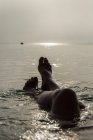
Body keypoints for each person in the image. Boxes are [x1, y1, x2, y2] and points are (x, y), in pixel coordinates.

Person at [23, 57, 85, 122]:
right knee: (70, 99)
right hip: (79, 119)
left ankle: (34, 91)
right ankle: (48, 81)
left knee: (66, 95)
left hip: (64, 124)